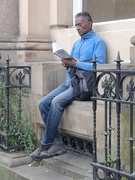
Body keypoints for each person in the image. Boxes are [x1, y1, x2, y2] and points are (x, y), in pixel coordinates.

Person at [29, 12, 106, 161]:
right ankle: (57, 142)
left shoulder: (98, 42)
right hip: (69, 83)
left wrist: (76, 63)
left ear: (89, 23)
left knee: (56, 102)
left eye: (80, 24)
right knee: (43, 103)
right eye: (76, 25)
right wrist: (67, 63)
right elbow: (72, 65)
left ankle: (45, 145)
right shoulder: (77, 43)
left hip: (81, 86)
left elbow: (100, 66)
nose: (77, 27)